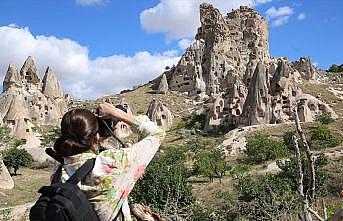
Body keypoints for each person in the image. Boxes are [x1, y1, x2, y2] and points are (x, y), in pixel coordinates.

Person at [52, 102, 166, 221]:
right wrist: (116, 113)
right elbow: (157, 134)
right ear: (96, 138)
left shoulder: (58, 172)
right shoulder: (112, 163)